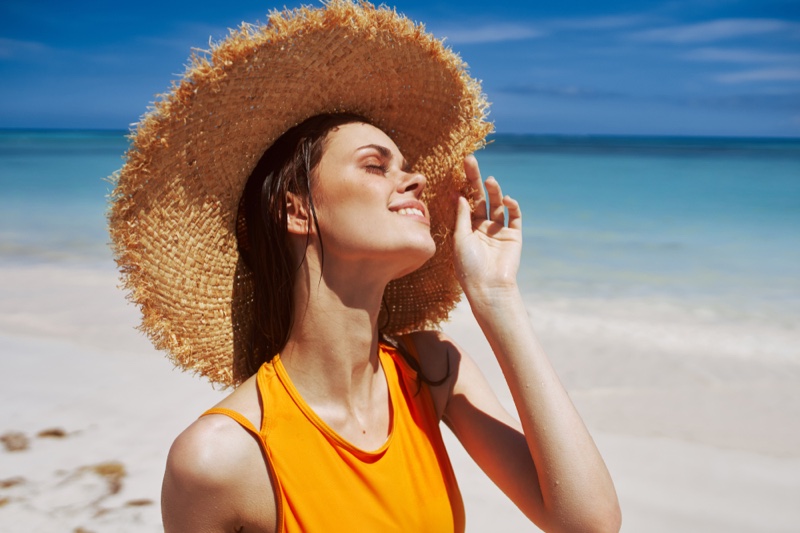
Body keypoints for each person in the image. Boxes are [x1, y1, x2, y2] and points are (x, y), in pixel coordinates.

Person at [109, 2, 620, 532]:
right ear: (297, 208)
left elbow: (588, 523)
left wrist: (496, 297)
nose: (416, 180)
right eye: (376, 165)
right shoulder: (220, 459)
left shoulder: (431, 368)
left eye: (406, 167)